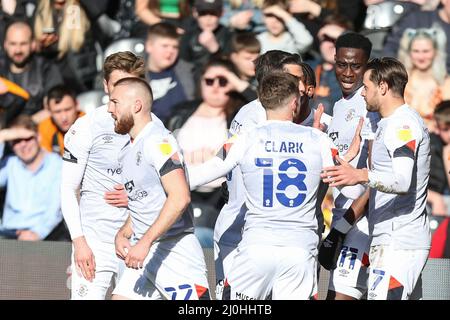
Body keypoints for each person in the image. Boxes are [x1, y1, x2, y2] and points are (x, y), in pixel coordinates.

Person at [188, 72, 337, 299]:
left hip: (257, 247)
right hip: (299, 250)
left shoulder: (245, 137)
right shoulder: (319, 140)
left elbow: (208, 172)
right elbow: (342, 177)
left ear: (262, 100)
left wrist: (161, 181)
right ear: (295, 102)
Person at [321, 57, 431, 300]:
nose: (362, 94)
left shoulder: (403, 125)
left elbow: (402, 181)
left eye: (367, 87)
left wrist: (360, 175)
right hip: (390, 237)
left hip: (400, 241)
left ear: (383, 87)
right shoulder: (386, 123)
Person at [60, 51, 154, 300]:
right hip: (94, 243)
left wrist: (137, 194)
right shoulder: (86, 126)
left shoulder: (156, 129)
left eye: (129, 85)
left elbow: (171, 188)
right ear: (105, 86)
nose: (121, 95)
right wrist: (79, 242)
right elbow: (67, 188)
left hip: (135, 243)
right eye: (116, 86)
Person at [107, 77, 210, 300]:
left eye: (114, 102)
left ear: (136, 105)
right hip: (144, 250)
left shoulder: (158, 141)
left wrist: (144, 242)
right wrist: (125, 231)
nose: (109, 109)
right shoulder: (128, 148)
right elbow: (146, 200)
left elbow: (180, 197)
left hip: (175, 250)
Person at [321, 32, 380, 300]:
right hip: (342, 218)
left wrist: (345, 226)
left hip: (363, 223)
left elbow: (378, 177)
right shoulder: (338, 105)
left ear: (367, 66)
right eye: (341, 64)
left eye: (355, 65)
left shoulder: (372, 108)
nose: (347, 72)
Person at [0, 115, 64, 241]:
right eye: (16, 141)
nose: (23, 145)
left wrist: (37, 233)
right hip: (9, 233)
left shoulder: (57, 164)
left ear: (38, 137)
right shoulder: (10, 163)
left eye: (27, 139)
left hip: (45, 236)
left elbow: (56, 209)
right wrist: (2, 136)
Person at [0, 20, 63, 123]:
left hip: (37, 129)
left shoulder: (46, 68)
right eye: (13, 44)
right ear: (5, 44)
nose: (18, 50)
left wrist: (27, 124)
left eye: (23, 44)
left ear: (33, 44)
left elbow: (56, 107)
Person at [397, 26, 450, 132]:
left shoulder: (446, 83)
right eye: (416, 51)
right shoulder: (399, 81)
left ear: (435, 52)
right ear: (409, 53)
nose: (421, 57)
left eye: (426, 51)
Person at [145, 22, 195, 123]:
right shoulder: (134, 76)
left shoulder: (188, 71)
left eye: (175, 47)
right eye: (165, 46)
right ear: (149, 46)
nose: (170, 51)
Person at [38, 85, 84, 156]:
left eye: (67, 109)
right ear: (49, 111)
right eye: (57, 112)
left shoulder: (88, 124)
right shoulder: (44, 128)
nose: (64, 118)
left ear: (77, 105)